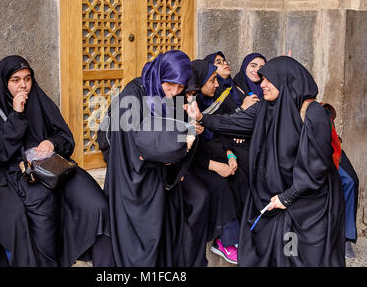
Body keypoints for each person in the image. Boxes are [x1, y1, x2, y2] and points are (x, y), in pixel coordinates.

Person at [185, 56, 346, 266]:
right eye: (262, 80)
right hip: (273, 201)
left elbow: (317, 167)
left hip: (306, 207)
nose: (262, 85)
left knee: (298, 255)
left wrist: (287, 197)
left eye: (268, 80)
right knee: (272, 252)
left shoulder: (312, 114)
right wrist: (202, 119)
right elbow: (234, 123)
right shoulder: (266, 108)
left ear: (284, 80)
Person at [0, 55, 114, 267]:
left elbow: (66, 139)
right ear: (4, 83)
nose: (23, 85)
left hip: (56, 168)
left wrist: (52, 143)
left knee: (97, 205)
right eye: (15, 80)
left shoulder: (40, 102)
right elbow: (2, 153)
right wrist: (16, 114)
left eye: (27, 78)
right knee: (44, 211)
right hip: (24, 176)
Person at [104, 50, 209, 266]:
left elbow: (177, 131)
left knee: (161, 231)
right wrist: (179, 142)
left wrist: (188, 126)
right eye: (171, 84)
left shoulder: (170, 95)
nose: (174, 92)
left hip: (157, 176)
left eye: (180, 87)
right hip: (132, 179)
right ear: (160, 75)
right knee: (140, 240)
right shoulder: (133, 94)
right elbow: (139, 141)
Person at [187, 60, 250, 265]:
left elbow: (220, 131)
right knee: (220, 185)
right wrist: (215, 166)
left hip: (210, 153)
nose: (216, 85)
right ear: (200, 81)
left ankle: (243, 234)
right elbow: (187, 150)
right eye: (212, 80)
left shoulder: (210, 102)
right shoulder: (186, 105)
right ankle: (226, 240)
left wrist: (230, 154)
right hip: (192, 163)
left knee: (240, 176)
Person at [322, 103, 359, 258]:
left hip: (332, 148)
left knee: (350, 181)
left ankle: (346, 237)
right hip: (310, 148)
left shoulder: (323, 109)